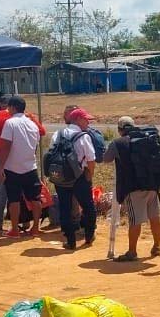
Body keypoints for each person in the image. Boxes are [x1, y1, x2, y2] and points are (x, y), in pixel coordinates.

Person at [107, 116, 160, 262]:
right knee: (155, 217)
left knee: (135, 220)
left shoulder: (118, 142)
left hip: (133, 187)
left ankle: (132, 252)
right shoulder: (147, 138)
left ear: (120, 130)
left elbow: (105, 158)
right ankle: (157, 246)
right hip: (153, 185)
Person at [0, 95, 45, 231]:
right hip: (30, 165)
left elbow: (4, 145)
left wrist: (0, 167)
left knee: (13, 198)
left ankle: (13, 229)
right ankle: (35, 227)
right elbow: (40, 136)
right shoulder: (32, 122)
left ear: (12, 107)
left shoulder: (8, 122)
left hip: (11, 165)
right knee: (35, 198)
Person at [50, 107, 98, 250]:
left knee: (65, 208)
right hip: (79, 177)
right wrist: (90, 175)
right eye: (86, 120)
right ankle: (89, 236)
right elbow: (91, 159)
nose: (88, 123)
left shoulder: (57, 134)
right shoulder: (83, 136)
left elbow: (51, 152)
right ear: (77, 120)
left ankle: (70, 241)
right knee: (88, 206)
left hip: (61, 177)